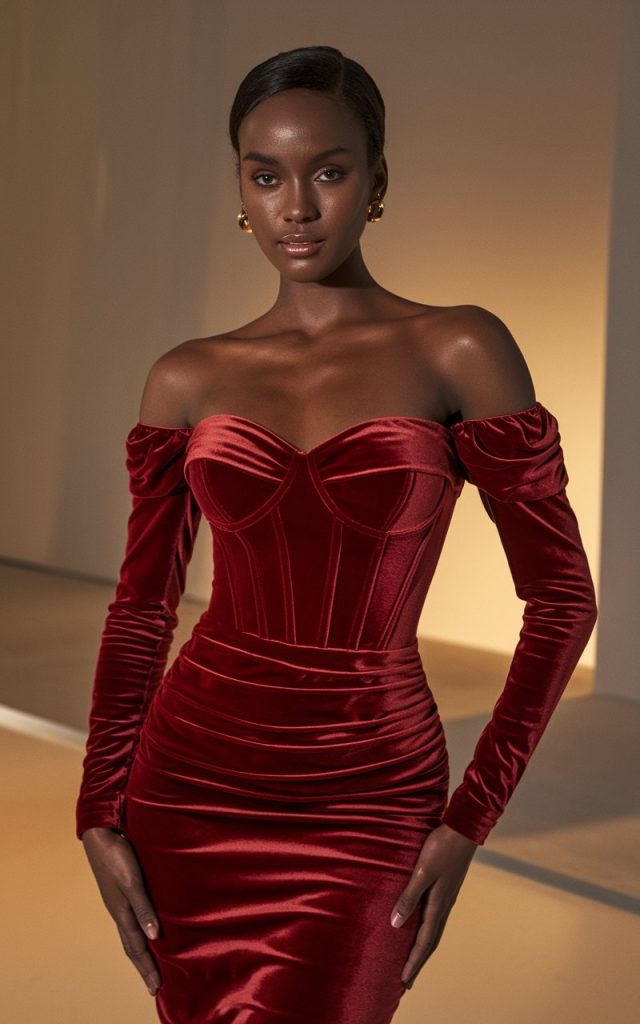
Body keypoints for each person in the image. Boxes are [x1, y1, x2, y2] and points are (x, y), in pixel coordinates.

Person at [75, 44, 598, 1024]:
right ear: (239, 186)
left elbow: (563, 600)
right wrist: (99, 806)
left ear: (379, 178)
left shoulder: (459, 346)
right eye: (265, 175)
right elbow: (142, 606)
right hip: (191, 784)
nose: (296, 207)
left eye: (328, 169)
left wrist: (467, 818)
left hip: (368, 798)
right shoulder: (186, 375)